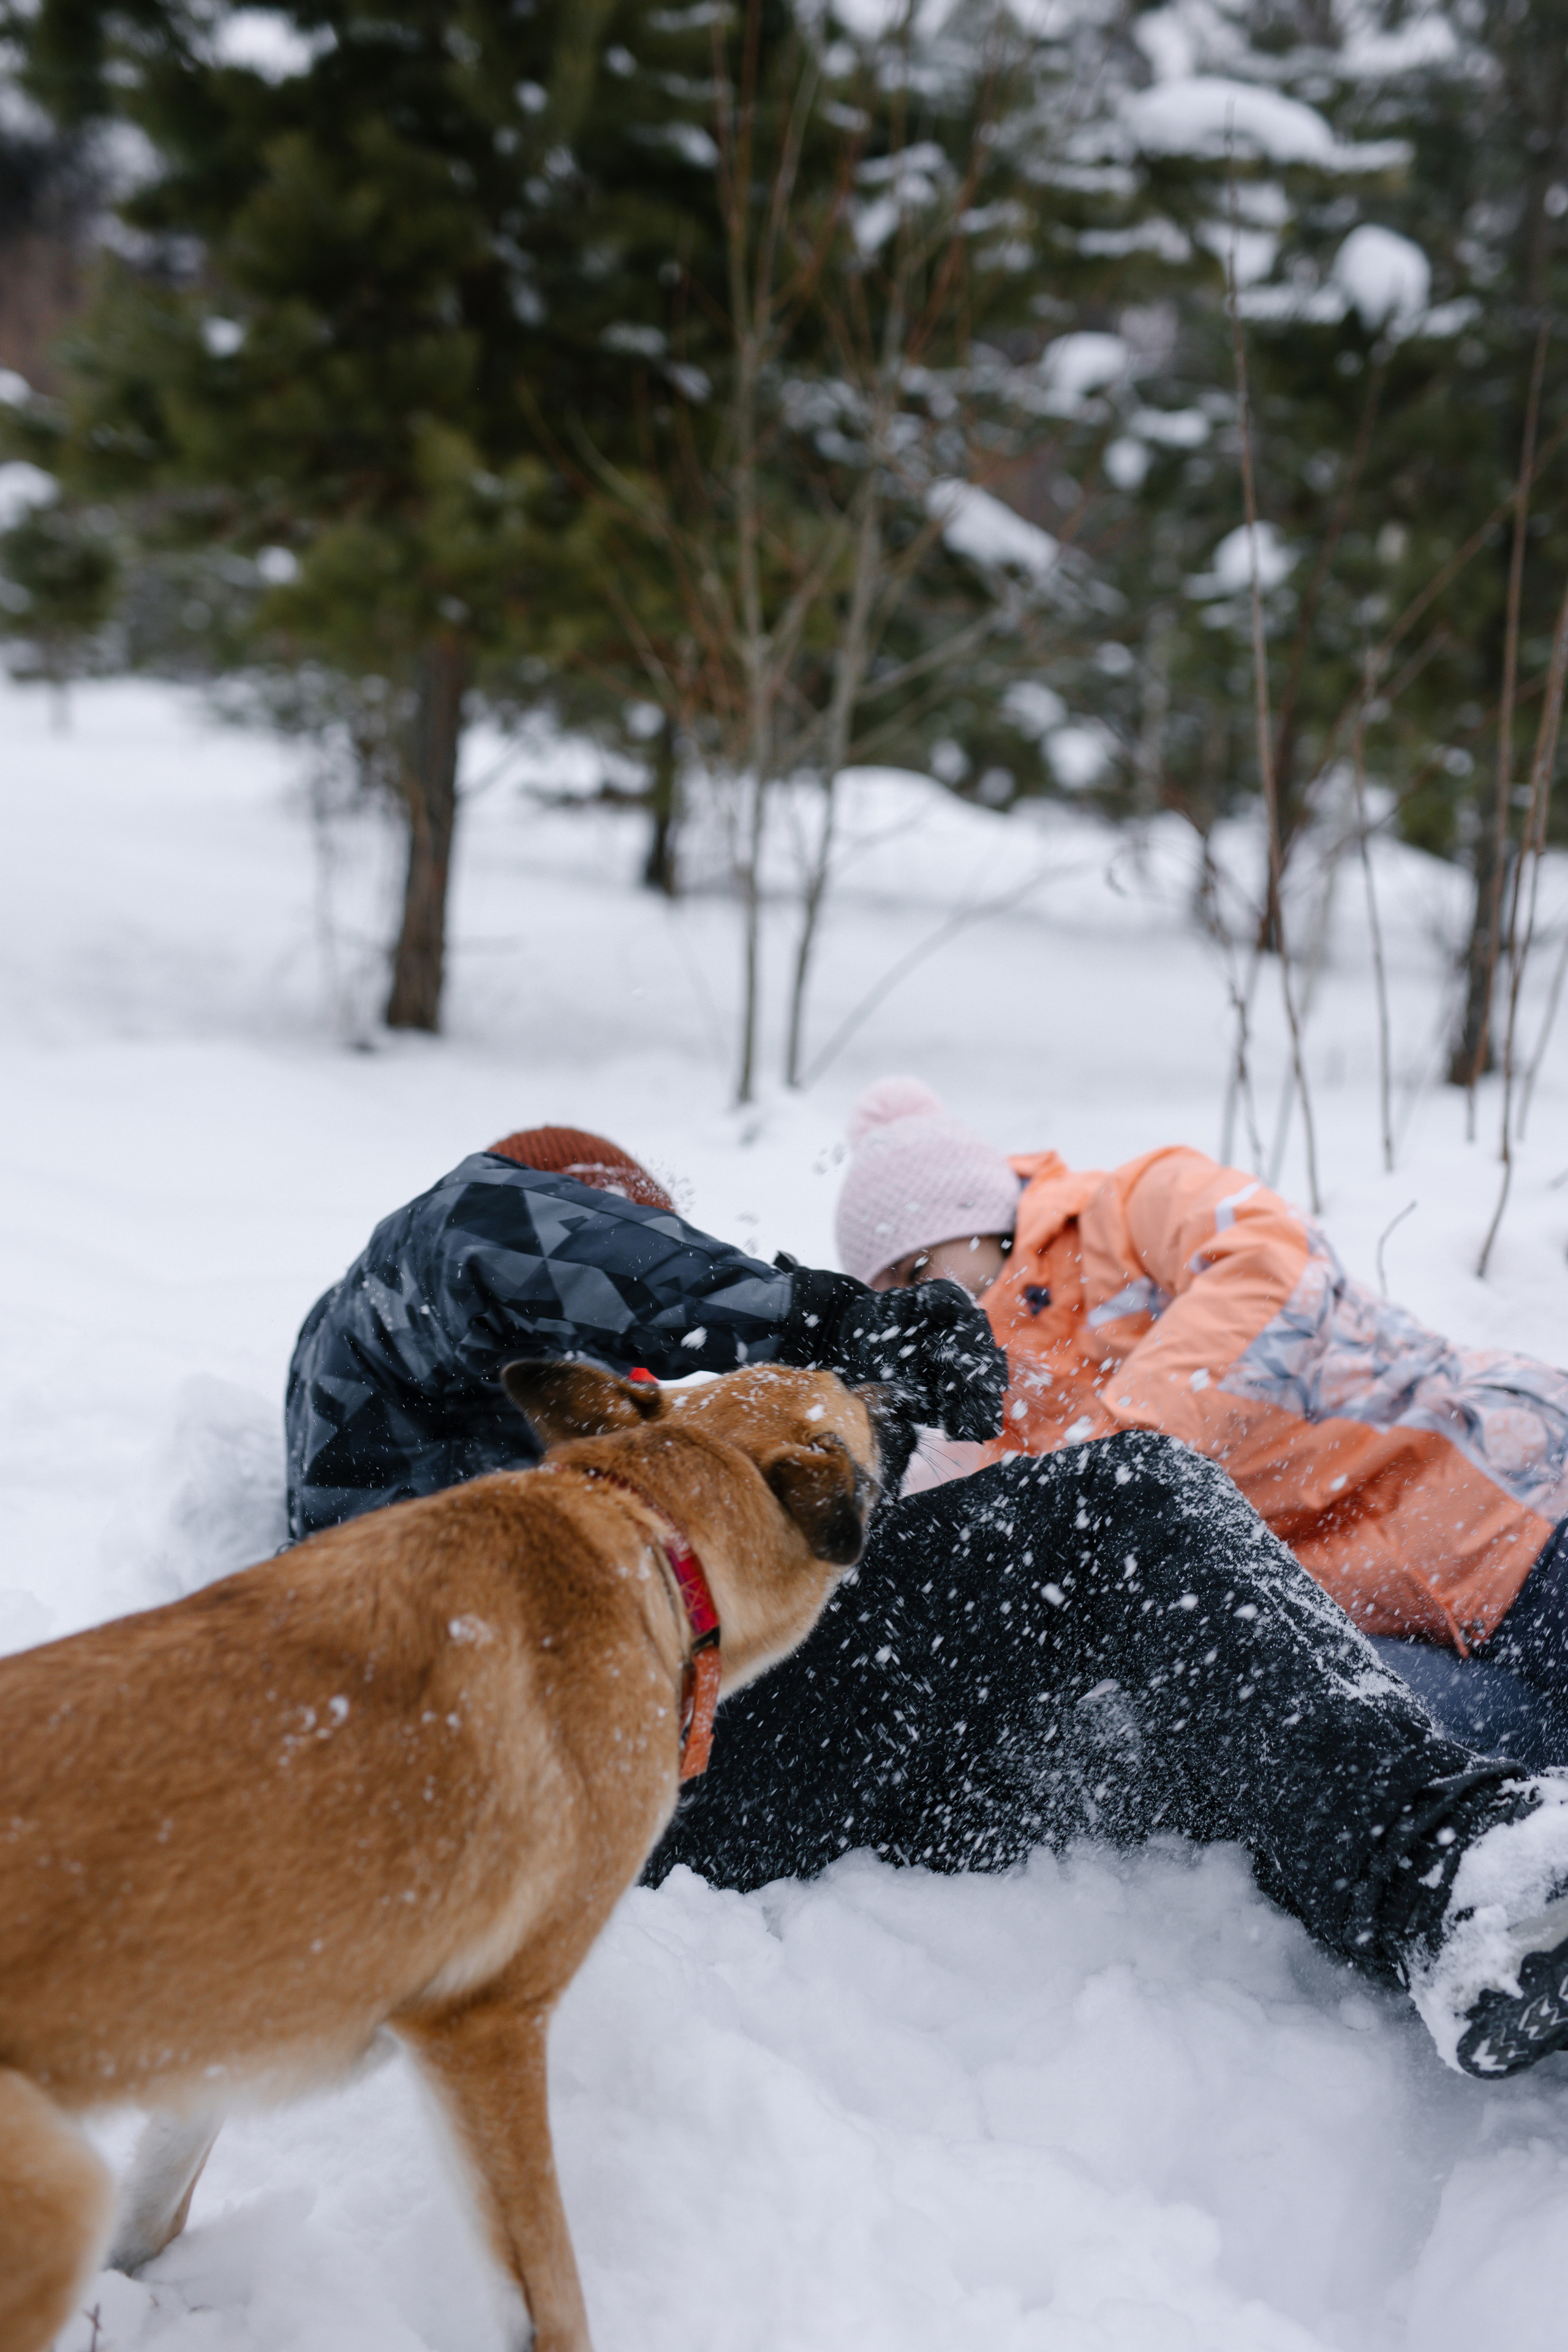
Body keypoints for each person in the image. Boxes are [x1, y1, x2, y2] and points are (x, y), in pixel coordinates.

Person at [286, 1118, 1568, 2082]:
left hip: (709, 1769)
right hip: (561, 1788)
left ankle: (1509, 1923)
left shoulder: (572, 1457)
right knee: (1116, 1505)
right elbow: (489, 1228)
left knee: (1129, 1726)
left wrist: (875, 1433)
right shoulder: (391, 1338)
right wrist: (824, 1316)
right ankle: (1448, 1887)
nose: (632, 1372)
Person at [833, 1077, 1568, 1768]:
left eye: (916, 1266)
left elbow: (1268, 1266)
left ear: (975, 1219)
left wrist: (1125, 1459)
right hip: (1389, 1617)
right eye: (888, 1290)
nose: (911, 1301)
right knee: (1475, 1793)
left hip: (1514, 1510)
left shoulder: (1129, 1209)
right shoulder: (985, 1412)